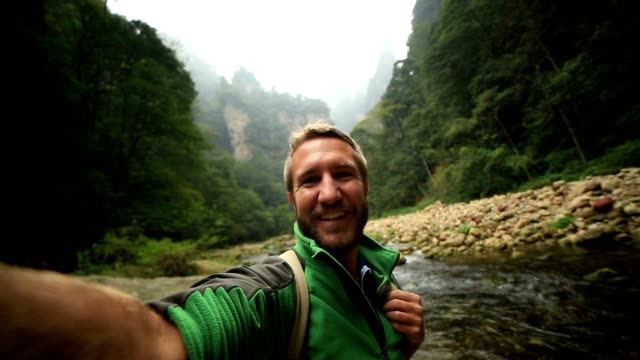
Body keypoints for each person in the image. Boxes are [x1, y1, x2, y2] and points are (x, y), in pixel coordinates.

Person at [0, 122, 425, 359]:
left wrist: (402, 345)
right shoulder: (271, 294)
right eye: (311, 180)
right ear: (293, 200)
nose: (329, 193)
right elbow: (158, 340)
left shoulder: (382, 283)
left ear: (365, 185)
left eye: (343, 174)